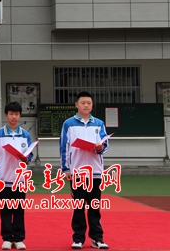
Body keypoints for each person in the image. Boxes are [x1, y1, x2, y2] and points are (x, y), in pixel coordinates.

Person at [60, 92, 109, 250]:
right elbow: (64, 147)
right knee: (79, 207)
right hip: (77, 172)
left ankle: (97, 238)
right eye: (83, 102)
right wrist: (66, 168)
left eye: (89, 103)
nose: (86, 105)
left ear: (92, 105)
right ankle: (78, 238)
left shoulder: (99, 123)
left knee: (95, 206)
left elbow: (105, 144)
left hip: (95, 171)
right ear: (76, 104)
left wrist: (100, 147)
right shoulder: (69, 124)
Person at [0, 101, 33, 250]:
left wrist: (26, 158)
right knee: (5, 211)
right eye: (11, 114)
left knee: (19, 210)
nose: (14, 117)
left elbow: (30, 154)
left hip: (20, 179)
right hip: (4, 179)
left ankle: (19, 238)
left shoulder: (25, 135)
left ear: (20, 115)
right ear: (6, 115)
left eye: (16, 114)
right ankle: (7, 239)